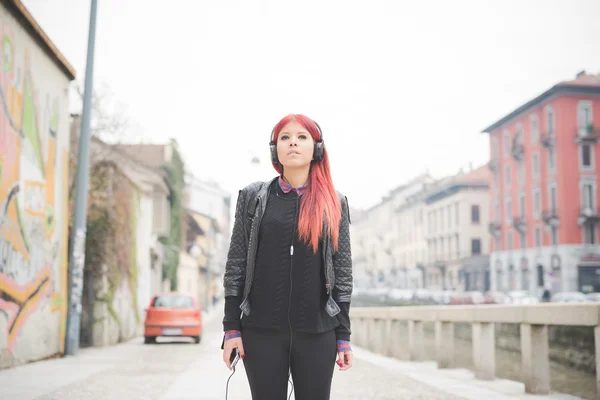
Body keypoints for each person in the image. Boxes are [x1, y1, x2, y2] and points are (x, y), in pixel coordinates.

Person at [221, 114, 353, 400]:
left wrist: (343, 336)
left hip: (318, 333)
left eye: (302, 136)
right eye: (285, 137)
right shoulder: (253, 198)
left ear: (316, 148)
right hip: (261, 332)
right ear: (275, 149)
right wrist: (231, 328)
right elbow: (236, 265)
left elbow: (342, 274)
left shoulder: (335, 203)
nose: (293, 141)